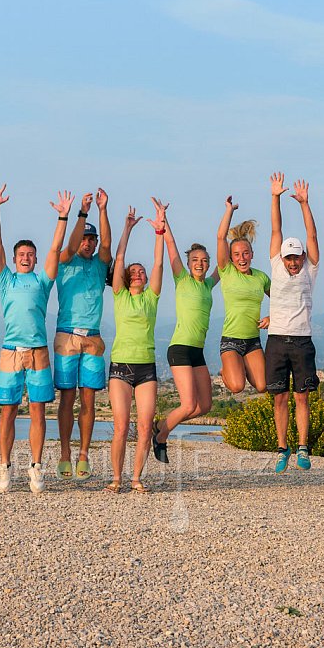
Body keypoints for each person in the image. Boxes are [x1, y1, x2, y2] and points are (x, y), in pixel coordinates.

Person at [0, 184, 68, 493]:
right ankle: (4, 466)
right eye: (21, 254)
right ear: (15, 258)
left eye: (29, 254)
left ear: (34, 260)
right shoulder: (5, 279)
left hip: (38, 353)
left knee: (38, 410)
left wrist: (62, 218)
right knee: (8, 411)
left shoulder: (41, 280)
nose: (25, 257)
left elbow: (54, 251)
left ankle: (36, 467)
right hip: (11, 351)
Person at [151, 203, 219, 464]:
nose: (199, 264)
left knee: (205, 407)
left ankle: (160, 427)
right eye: (195, 260)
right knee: (189, 405)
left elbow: (224, 261)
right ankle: (160, 435)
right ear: (189, 264)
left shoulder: (210, 284)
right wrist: (164, 221)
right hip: (179, 347)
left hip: (197, 351)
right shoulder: (182, 279)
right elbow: (171, 249)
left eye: (204, 261)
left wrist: (228, 218)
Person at [52, 189, 112, 480]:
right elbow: (70, 244)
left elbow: (108, 246)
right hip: (66, 335)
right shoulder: (65, 261)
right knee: (67, 397)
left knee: (89, 399)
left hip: (94, 337)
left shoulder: (100, 266)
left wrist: (103, 210)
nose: (87, 244)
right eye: (85, 239)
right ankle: (65, 454)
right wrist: (83, 212)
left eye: (92, 239)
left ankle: (84, 455)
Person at [107, 203, 165, 493]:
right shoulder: (120, 296)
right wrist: (127, 228)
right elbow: (119, 259)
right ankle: (116, 479)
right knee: (121, 427)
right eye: (135, 271)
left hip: (147, 368)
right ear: (128, 278)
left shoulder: (151, 298)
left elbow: (158, 263)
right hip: (120, 366)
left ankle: (136, 478)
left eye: (142, 271)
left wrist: (159, 229)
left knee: (144, 428)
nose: (140, 272)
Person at [265, 173, 320, 473]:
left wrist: (305, 204)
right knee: (280, 398)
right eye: (289, 258)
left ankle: (302, 447)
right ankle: (282, 448)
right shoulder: (275, 264)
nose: (293, 262)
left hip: (301, 340)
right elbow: (276, 228)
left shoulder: (310, 270)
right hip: (276, 340)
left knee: (302, 398)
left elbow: (312, 237)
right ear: (283, 257)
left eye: (296, 257)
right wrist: (274, 197)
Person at [215, 196, 271, 395]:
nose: (242, 258)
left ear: (252, 254)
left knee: (263, 386)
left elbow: (282, 300)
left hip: (253, 340)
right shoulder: (227, 272)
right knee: (237, 387)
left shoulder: (261, 277)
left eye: (245, 253)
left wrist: (272, 317)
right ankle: (228, 371)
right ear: (231, 258)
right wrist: (229, 211)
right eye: (237, 255)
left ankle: (241, 367)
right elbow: (221, 238)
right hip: (231, 340)